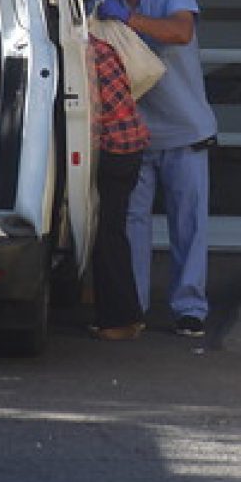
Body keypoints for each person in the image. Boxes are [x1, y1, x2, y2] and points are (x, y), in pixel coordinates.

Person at [96, 0, 216, 337]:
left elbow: (181, 31)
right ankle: (134, 307)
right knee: (132, 223)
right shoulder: (105, 2)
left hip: (185, 130)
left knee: (188, 223)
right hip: (135, 134)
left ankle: (190, 308)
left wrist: (129, 19)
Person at [87, 34, 150, 341]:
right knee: (111, 232)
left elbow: (92, 112)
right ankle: (124, 315)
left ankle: (121, 319)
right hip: (129, 147)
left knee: (106, 235)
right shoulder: (99, 46)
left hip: (115, 149)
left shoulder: (84, 54)